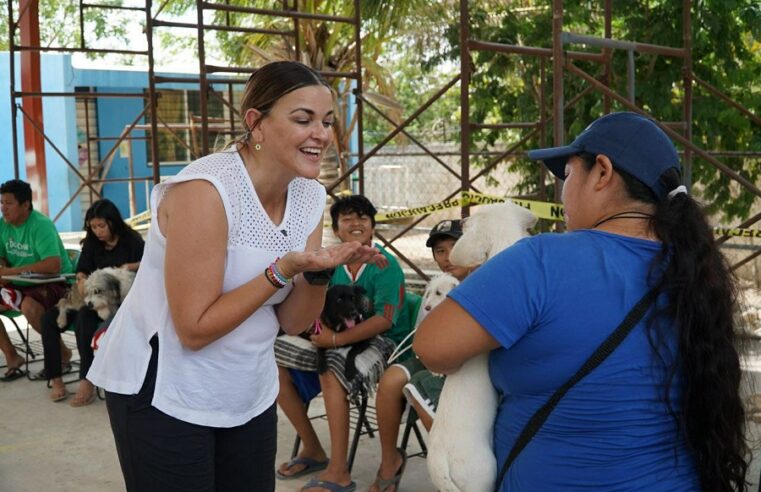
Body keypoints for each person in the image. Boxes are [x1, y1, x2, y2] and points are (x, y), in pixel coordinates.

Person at [86, 61, 385, 492]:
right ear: (256, 124)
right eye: (303, 119)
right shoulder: (207, 192)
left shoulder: (309, 194)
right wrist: (282, 270)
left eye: (327, 121)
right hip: (164, 384)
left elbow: (293, 322)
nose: (320, 133)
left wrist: (319, 272)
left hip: (246, 385)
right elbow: (193, 328)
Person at [414, 112, 749, 491]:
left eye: (568, 174)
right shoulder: (697, 274)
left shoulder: (540, 261)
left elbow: (432, 347)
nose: (562, 190)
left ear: (602, 172)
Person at [274, 195, 411, 492]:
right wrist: (318, 329)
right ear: (337, 230)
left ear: (373, 226)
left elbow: (384, 321)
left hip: (381, 341)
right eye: (347, 218)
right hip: (332, 332)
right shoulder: (330, 263)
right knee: (272, 357)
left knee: (331, 366)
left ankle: (339, 472)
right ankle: (313, 448)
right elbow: (310, 302)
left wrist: (334, 340)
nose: (356, 223)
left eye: (363, 217)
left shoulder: (386, 265)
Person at [370, 219, 469, 492]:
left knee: (423, 389)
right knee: (390, 380)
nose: (447, 256)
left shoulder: (482, 282)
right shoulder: (436, 286)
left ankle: (451, 471)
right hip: (430, 355)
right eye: (439, 250)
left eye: (455, 246)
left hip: (465, 364)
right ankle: (390, 460)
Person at [40, 198, 144, 405]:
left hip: (117, 300)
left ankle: (87, 380)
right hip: (87, 295)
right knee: (48, 320)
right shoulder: (92, 243)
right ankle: (56, 378)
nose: (97, 231)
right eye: (93, 227)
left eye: (101, 226)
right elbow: (83, 268)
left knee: (85, 319)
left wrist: (128, 266)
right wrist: (80, 279)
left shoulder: (132, 241)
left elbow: (150, 264)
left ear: (112, 222)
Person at [0, 179, 74, 382]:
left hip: (54, 283)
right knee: (24, 302)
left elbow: (53, 265)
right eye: (1, 203)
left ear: (25, 205)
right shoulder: (2, 226)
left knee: (30, 307)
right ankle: (12, 357)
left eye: (8, 203)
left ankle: (62, 354)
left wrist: (11, 272)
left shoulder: (41, 225)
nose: (3, 208)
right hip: (17, 284)